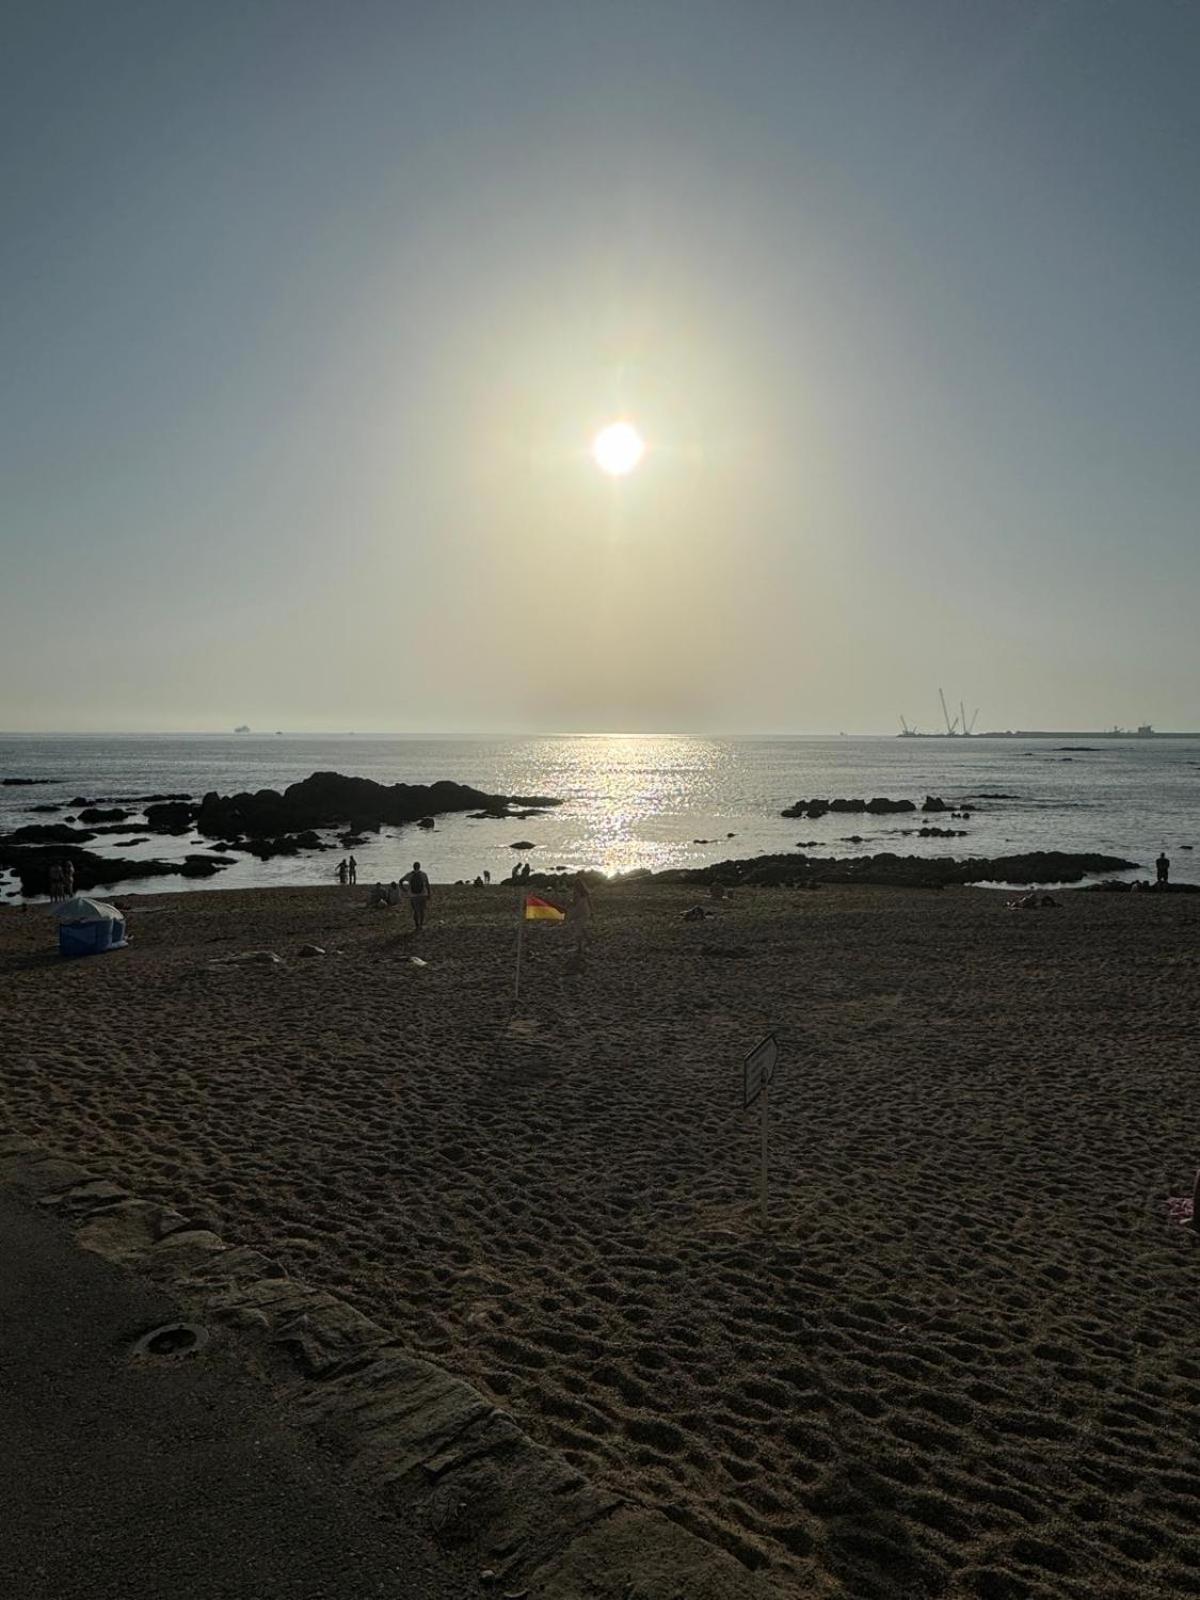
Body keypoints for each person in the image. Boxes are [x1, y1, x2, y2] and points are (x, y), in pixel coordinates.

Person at [565, 874, 593, 962]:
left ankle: (579, 947)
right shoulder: (585, 892)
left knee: (578, 929)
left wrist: (569, 903)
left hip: (579, 912)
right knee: (582, 927)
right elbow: (590, 902)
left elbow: (574, 903)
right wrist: (592, 912)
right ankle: (588, 939)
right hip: (586, 911)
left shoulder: (576, 892)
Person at [401, 861, 431, 930]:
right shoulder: (423, 874)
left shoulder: (409, 874)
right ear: (419, 867)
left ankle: (417, 925)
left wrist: (404, 889)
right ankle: (421, 925)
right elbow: (427, 884)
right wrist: (429, 894)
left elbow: (401, 881)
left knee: (415, 911)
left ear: (413, 867)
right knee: (422, 911)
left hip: (413, 895)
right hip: (423, 894)